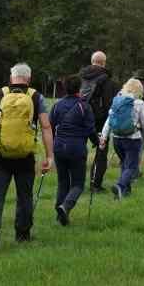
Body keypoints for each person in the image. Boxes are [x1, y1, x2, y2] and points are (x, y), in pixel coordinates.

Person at [0, 62, 53, 249]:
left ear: (11, 78)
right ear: (29, 78)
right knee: (24, 196)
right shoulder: (35, 96)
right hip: (25, 156)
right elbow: (45, 126)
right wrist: (49, 156)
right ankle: (23, 235)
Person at [48, 74, 97, 225]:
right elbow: (90, 130)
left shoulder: (57, 105)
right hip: (76, 148)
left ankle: (60, 217)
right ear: (79, 88)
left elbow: (49, 126)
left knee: (63, 182)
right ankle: (65, 206)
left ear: (64, 87)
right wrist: (97, 142)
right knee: (78, 184)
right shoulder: (84, 106)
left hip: (59, 147)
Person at [105, 76, 144, 198]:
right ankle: (120, 186)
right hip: (132, 139)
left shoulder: (116, 100)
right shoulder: (139, 103)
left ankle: (125, 192)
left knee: (124, 164)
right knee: (132, 166)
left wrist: (104, 136)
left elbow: (109, 120)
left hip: (116, 139)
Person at [77, 50, 115, 193]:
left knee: (80, 150)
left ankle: (76, 183)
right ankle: (95, 184)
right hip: (99, 119)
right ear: (103, 63)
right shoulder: (105, 79)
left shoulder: (81, 77)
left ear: (92, 61)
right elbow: (107, 102)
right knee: (101, 150)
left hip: (79, 116)